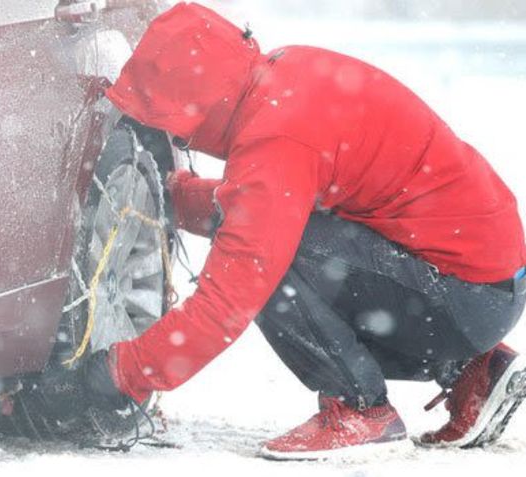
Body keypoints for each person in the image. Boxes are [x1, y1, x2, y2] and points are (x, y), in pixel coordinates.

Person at [75, 1, 526, 460]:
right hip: (484, 279)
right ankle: (474, 370)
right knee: (278, 237)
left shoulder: (275, 139)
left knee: (275, 263)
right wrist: (178, 199)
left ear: (199, 105)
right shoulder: (285, 77)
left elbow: (226, 303)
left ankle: (360, 410)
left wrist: (120, 374)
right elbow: (263, 201)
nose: (184, 141)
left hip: (462, 296)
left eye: (179, 129)